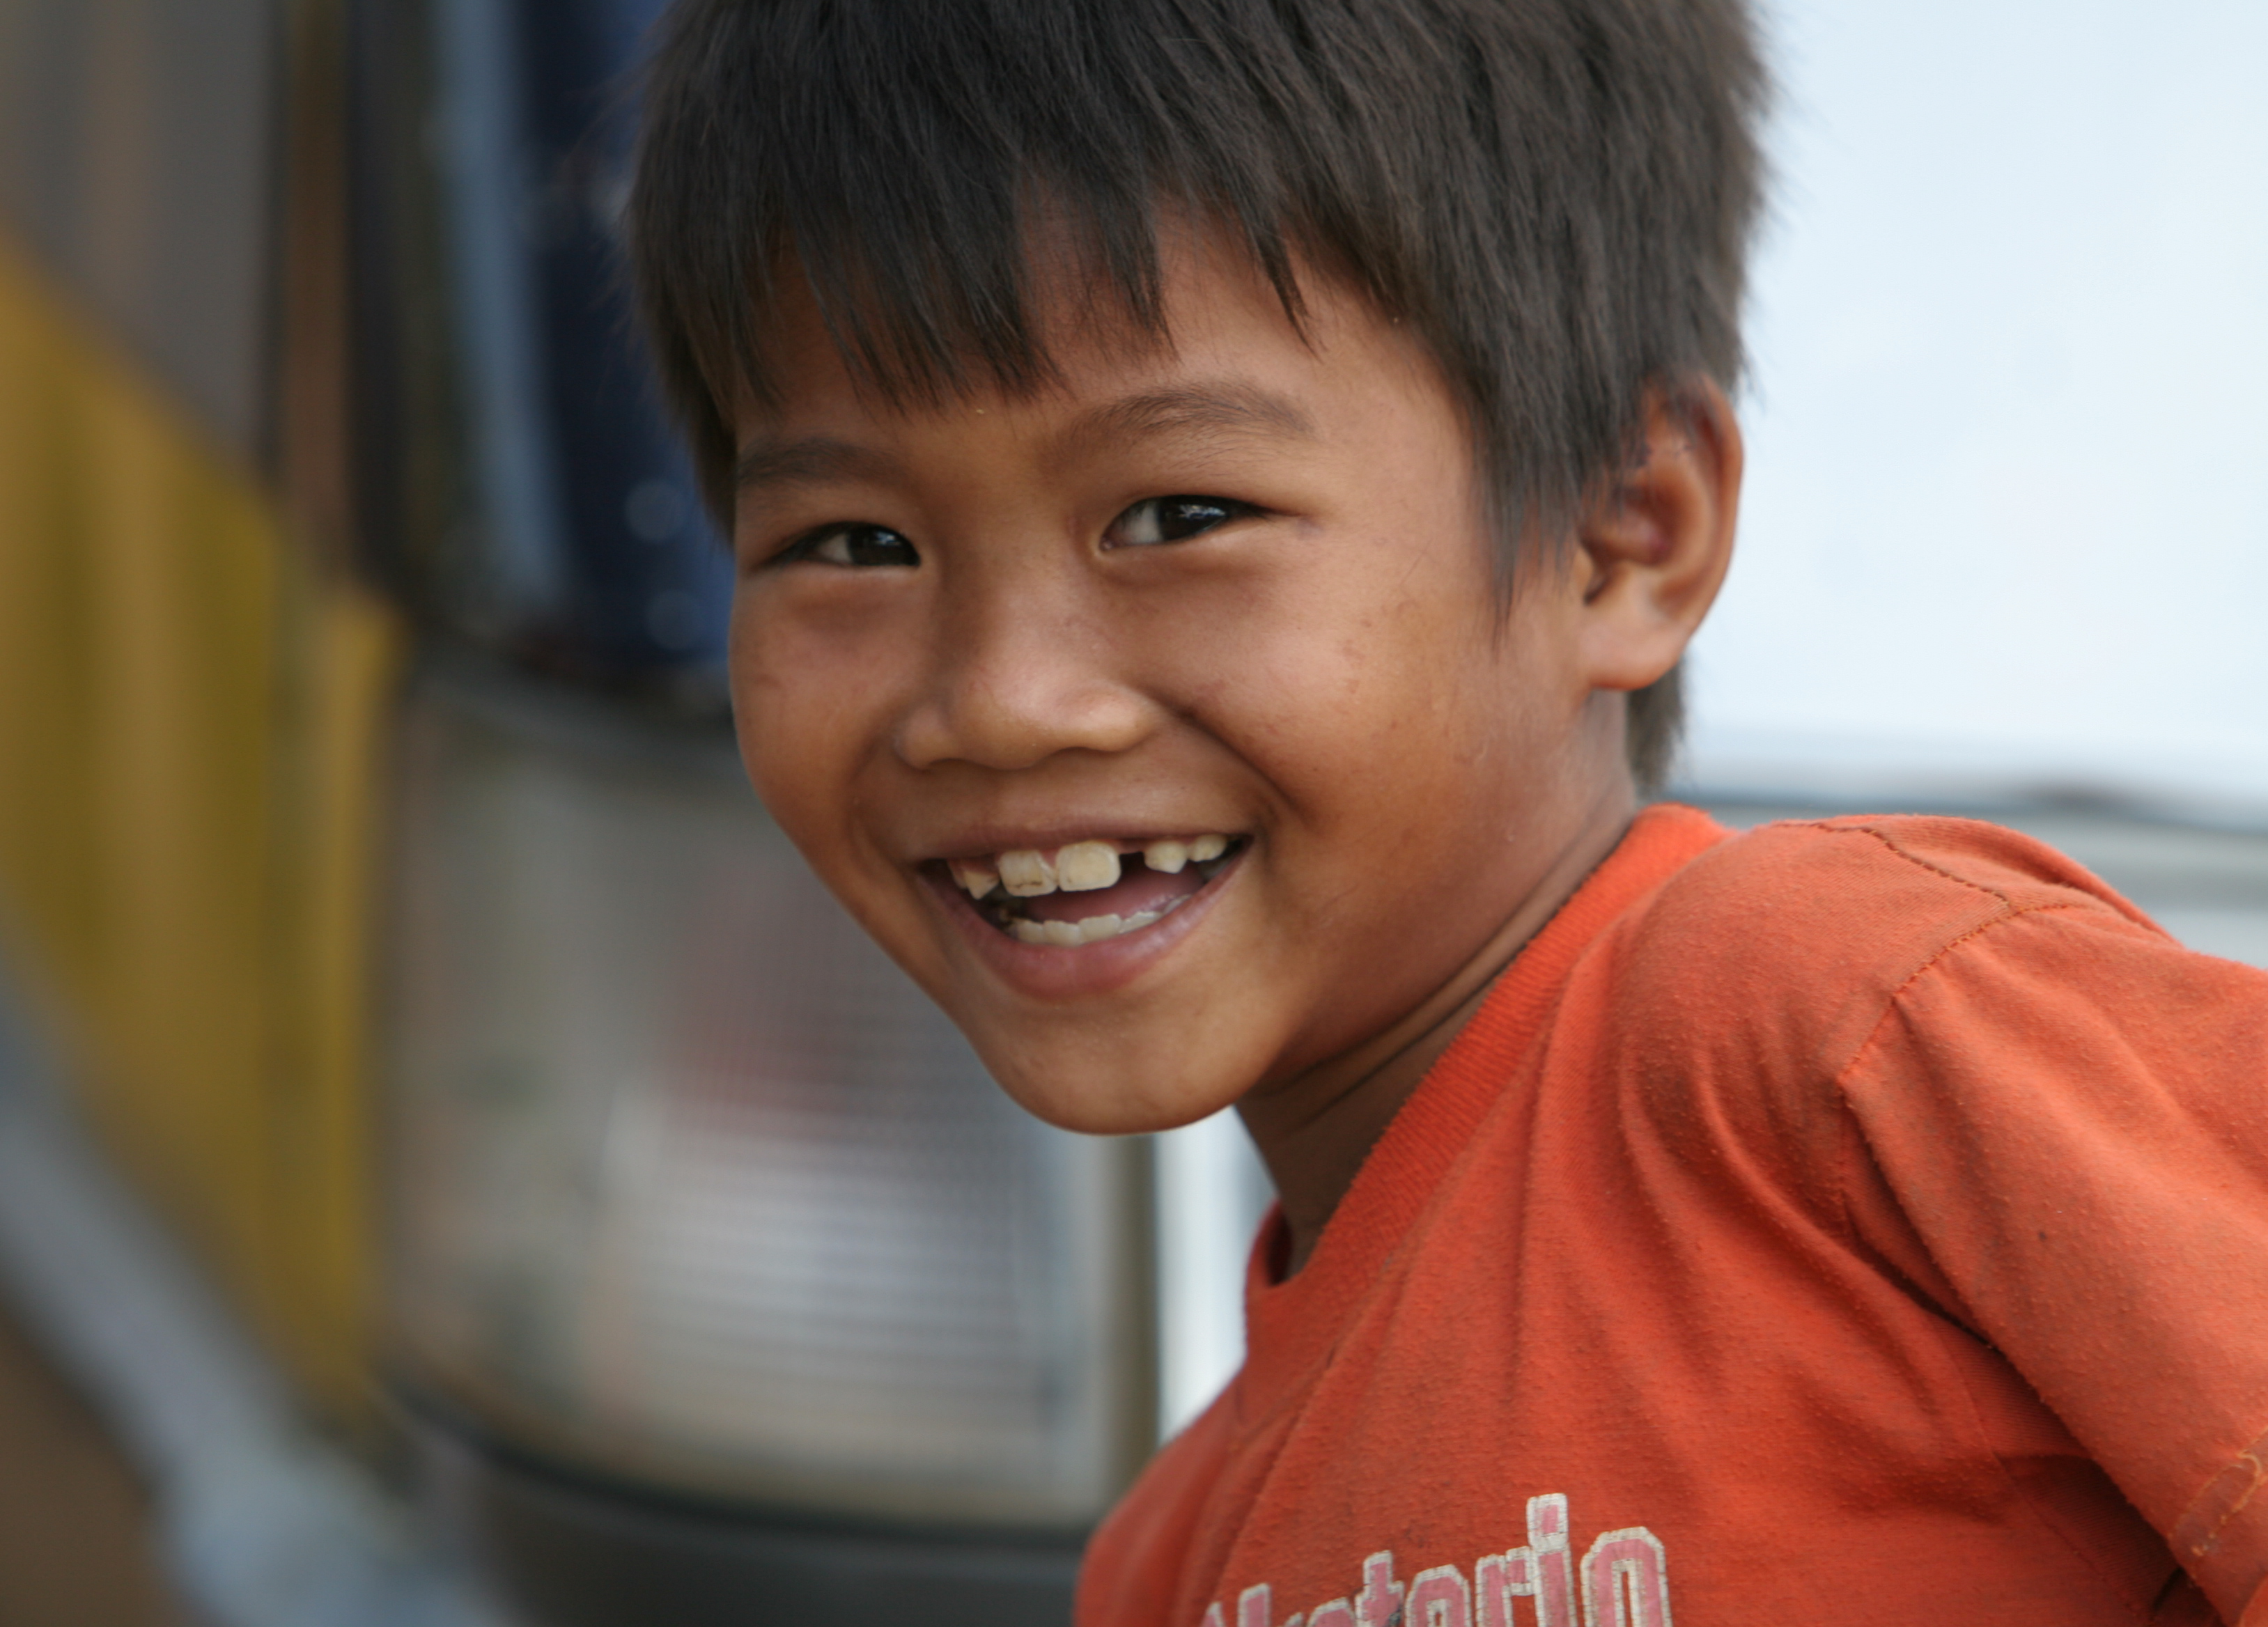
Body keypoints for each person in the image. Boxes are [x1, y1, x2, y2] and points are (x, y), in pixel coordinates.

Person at [622, 1, 2268, 1621]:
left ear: (1622, 537)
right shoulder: (1166, 1568)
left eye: (1180, 513)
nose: (1000, 698)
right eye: (852, 545)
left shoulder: (1843, 1031)